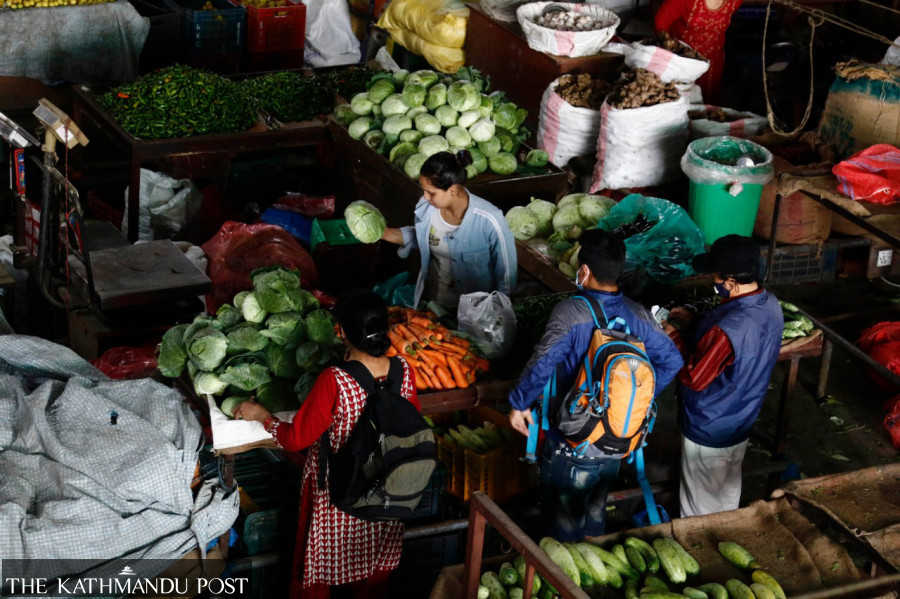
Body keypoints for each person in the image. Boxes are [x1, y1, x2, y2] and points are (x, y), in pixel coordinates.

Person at [234, 289, 419, 599]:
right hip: (386, 496)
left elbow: (296, 439)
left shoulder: (334, 379)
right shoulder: (404, 371)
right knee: (372, 579)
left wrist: (262, 415)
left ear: (342, 332)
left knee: (316, 582)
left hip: (338, 497)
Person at [507, 230, 683, 541]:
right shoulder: (637, 313)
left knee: (563, 532)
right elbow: (672, 360)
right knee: (594, 518)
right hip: (617, 441)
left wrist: (519, 403)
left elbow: (543, 361)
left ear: (584, 271)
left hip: (572, 441)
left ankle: (565, 583)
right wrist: (633, 402)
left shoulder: (570, 313)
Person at [662, 235, 783, 518]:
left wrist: (673, 338)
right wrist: (695, 323)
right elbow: (739, 350)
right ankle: (728, 528)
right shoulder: (769, 304)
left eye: (715, 276)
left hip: (710, 423)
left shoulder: (728, 329)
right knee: (725, 490)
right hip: (741, 415)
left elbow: (694, 377)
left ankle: (701, 550)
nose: (712, 282)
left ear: (730, 282)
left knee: (700, 511)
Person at [381, 150, 517, 310]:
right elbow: (423, 238)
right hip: (432, 305)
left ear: (452, 190)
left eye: (431, 193)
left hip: (473, 313)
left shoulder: (490, 220)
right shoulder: (427, 208)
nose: (425, 197)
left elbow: (507, 278)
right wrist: (386, 233)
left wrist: (493, 316)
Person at [654, 0, 743, 103]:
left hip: (712, 65)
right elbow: (661, 21)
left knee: (708, 106)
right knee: (680, 103)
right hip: (682, 63)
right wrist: (669, 53)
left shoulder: (735, 1)